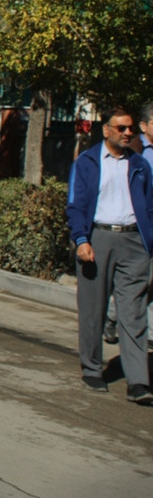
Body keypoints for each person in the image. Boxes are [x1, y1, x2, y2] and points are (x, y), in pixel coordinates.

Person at [66, 107, 153, 404]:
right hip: (98, 239)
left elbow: (149, 207)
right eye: (121, 128)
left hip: (134, 242)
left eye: (131, 129)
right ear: (106, 130)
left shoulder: (140, 164)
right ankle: (92, 369)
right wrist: (81, 239)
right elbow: (75, 205)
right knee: (94, 309)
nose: (127, 133)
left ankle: (138, 381)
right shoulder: (87, 162)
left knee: (134, 314)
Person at [103, 101, 153, 348]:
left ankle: (118, 319)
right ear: (144, 126)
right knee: (142, 281)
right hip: (137, 229)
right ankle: (115, 319)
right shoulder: (133, 150)